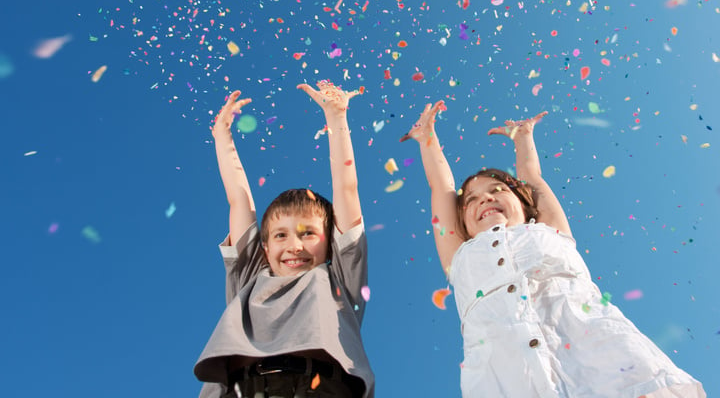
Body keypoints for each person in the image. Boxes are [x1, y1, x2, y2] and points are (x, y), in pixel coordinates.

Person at [403, 101, 706, 398]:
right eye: (471, 199)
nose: (484, 198)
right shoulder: (459, 256)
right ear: (462, 226)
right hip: (507, 378)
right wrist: (427, 138)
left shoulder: (549, 230)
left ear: (524, 206)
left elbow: (531, 178)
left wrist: (523, 137)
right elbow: (442, 189)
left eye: (497, 190)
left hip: (598, 356)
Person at [194, 81, 374, 398]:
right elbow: (239, 200)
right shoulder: (250, 276)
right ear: (264, 247)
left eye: (308, 234)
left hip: (322, 389)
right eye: (281, 235)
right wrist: (222, 137)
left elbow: (347, 190)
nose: (295, 245)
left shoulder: (338, 280)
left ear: (330, 242)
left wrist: (337, 119)